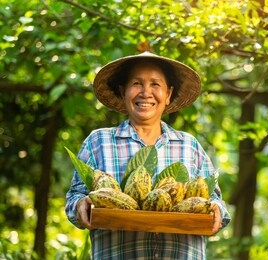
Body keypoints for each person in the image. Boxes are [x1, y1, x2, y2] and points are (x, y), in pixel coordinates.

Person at [65, 51, 231, 259]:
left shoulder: (189, 145)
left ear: (168, 94)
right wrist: (81, 205)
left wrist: (216, 209)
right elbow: (75, 198)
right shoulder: (98, 142)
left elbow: (214, 201)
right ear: (123, 91)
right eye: (136, 83)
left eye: (155, 84)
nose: (146, 92)